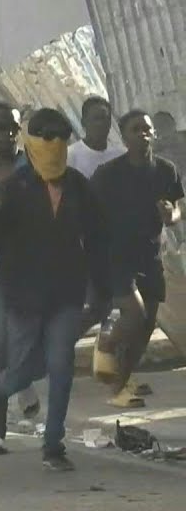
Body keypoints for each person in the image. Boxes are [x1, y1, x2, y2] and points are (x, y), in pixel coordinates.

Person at [0, 108, 109, 470]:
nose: (53, 144)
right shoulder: (13, 188)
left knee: (61, 365)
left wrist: (101, 292)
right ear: (32, 142)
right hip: (23, 295)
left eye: (60, 138)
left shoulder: (78, 186)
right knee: (24, 368)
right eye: (46, 137)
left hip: (66, 292)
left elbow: (97, 240)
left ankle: (53, 445)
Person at [91, 109, 184, 408]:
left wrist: (171, 215)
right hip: (116, 255)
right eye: (135, 129)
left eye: (147, 129)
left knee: (145, 327)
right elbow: (88, 213)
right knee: (134, 314)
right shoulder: (108, 174)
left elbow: (177, 208)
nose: (143, 134)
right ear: (124, 137)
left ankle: (121, 382)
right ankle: (107, 343)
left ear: (154, 133)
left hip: (150, 256)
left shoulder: (166, 170)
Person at [0, 103, 42, 421]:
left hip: (29, 268)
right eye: (0, 128)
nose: (8, 134)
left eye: (14, 128)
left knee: (25, 339)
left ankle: (19, 383)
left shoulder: (33, 167)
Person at [68, 96, 125, 178]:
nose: (100, 124)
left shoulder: (121, 154)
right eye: (96, 119)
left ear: (110, 123)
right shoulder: (70, 156)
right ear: (83, 122)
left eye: (104, 118)